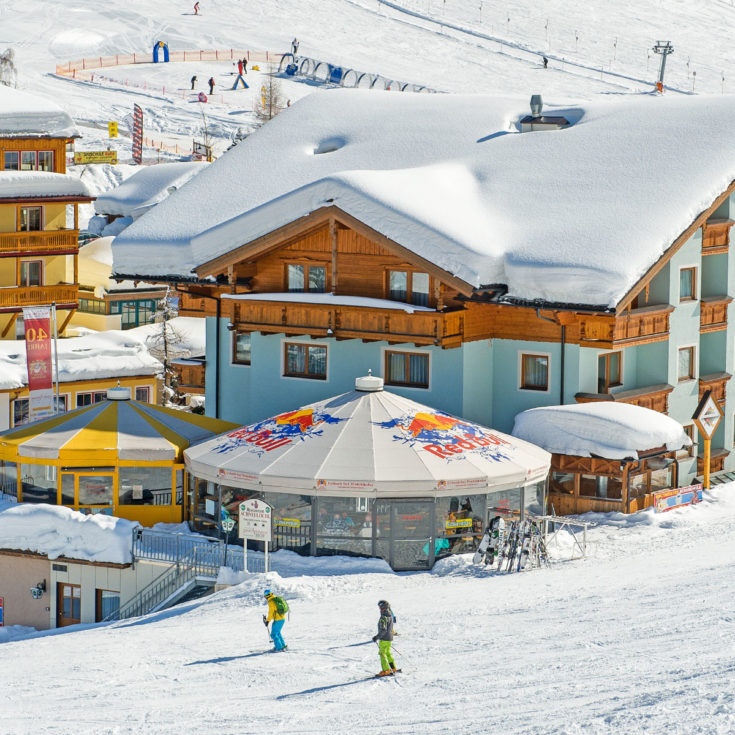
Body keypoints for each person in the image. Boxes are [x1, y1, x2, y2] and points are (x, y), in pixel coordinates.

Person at [372, 599, 397, 676]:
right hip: (389, 638)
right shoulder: (389, 615)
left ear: (384, 607)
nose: (379, 609)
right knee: (388, 653)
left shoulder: (383, 617)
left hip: (384, 638)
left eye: (380, 607)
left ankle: (386, 670)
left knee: (382, 653)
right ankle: (393, 668)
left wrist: (377, 637)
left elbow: (383, 630)